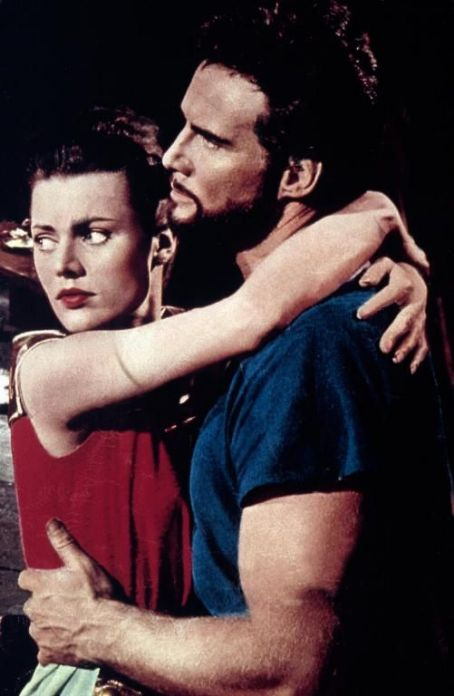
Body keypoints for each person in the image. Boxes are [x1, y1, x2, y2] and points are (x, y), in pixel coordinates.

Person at [18, 2, 452, 694]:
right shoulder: (273, 339)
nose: (172, 156)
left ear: (297, 175)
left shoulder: (314, 347)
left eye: (210, 140)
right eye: (182, 125)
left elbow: (292, 664)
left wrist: (101, 629)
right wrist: (381, 224)